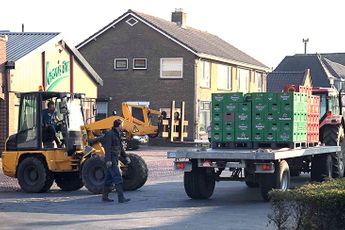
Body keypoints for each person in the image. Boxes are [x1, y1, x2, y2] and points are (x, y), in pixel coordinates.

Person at [102, 119, 131, 203]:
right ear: (118, 125)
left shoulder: (117, 134)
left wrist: (125, 157)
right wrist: (108, 160)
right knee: (118, 177)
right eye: (122, 125)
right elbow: (107, 148)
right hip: (111, 159)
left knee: (109, 178)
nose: (123, 126)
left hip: (115, 158)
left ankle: (104, 197)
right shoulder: (110, 134)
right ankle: (121, 198)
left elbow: (120, 148)